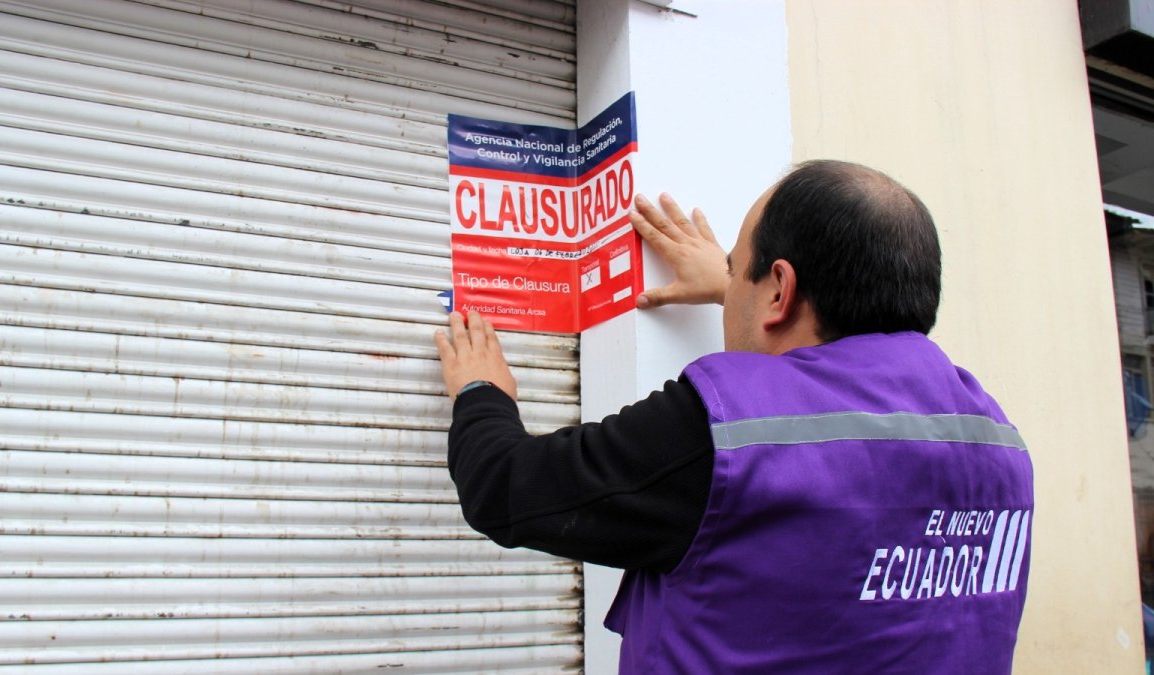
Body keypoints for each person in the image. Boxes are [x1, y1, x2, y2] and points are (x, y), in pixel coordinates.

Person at [434, 160, 1033, 674]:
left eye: (735, 264)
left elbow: (507, 489)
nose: (728, 280)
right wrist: (734, 288)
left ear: (780, 289)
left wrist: (482, 390)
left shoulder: (730, 430)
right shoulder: (997, 440)